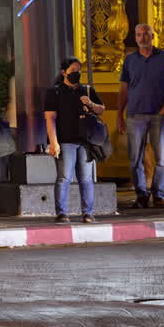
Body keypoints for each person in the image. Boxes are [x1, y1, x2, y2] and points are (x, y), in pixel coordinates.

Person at [117, 23, 164, 209]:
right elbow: (124, 89)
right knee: (135, 158)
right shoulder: (130, 60)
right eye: (139, 35)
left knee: (162, 158)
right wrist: (120, 114)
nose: (143, 38)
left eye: (146, 34)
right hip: (135, 115)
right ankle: (141, 194)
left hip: (157, 115)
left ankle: (159, 195)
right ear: (135, 38)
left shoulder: (163, 58)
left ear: (153, 36)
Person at [43, 58, 105, 223]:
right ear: (64, 72)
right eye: (73, 71)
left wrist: (89, 103)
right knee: (64, 177)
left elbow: (101, 109)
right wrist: (53, 142)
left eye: (79, 71)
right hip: (65, 141)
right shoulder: (54, 92)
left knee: (86, 178)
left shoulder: (87, 90)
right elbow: (50, 118)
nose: (77, 74)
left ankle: (88, 213)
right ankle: (62, 213)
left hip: (85, 141)